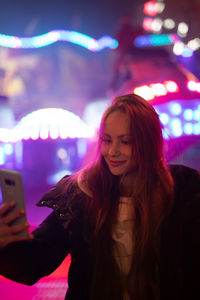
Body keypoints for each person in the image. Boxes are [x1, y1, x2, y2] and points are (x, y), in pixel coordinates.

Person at [0, 93, 200, 300]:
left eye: (126, 141)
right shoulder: (79, 194)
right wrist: (5, 245)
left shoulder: (184, 191)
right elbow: (37, 262)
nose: (112, 151)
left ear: (148, 143)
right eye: (107, 140)